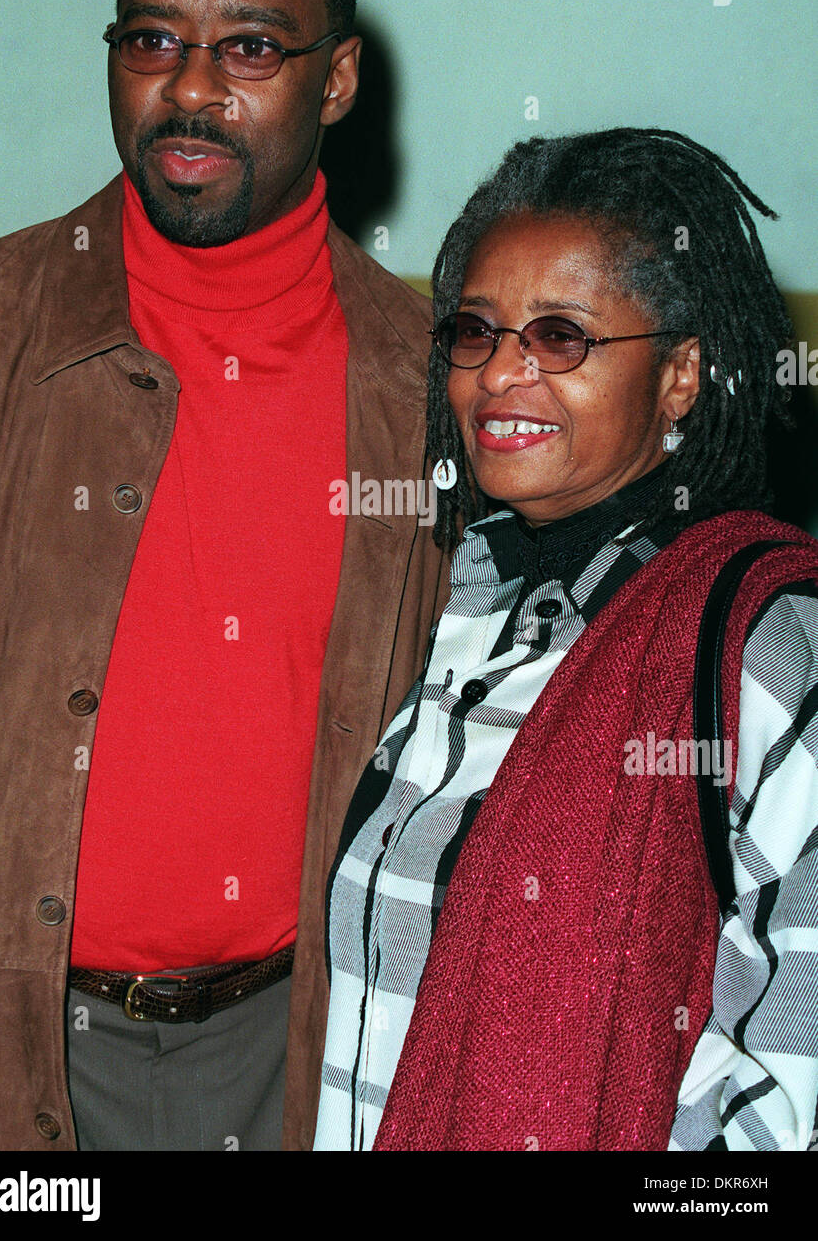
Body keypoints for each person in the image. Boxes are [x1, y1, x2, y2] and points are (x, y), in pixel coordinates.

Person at [0, 0, 447, 1153]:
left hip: (303, 1047)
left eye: (249, 48)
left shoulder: (435, 383)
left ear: (333, 82)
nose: (190, 88)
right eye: (153, 39)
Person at [315, 128, 818, 1151]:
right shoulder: (461, 607)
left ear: (679, 376)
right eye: (476, 331)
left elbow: (786, 1092)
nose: (502, 373)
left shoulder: (755, 641)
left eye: (559, 336)